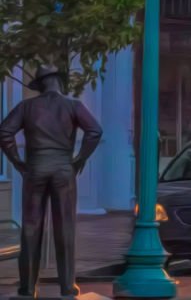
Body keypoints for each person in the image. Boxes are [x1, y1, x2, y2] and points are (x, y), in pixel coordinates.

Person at [0, 65, 103, 299]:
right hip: (63, 169)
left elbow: (4, 132)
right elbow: (95, 131)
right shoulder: (73, 106)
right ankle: (67, 287)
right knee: (65, 228)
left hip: (36, 167)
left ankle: (27, 288)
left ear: (41, 85)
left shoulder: (27, 107)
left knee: (30, 228)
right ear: (58, 82)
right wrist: (79, 159)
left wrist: (18, 162)